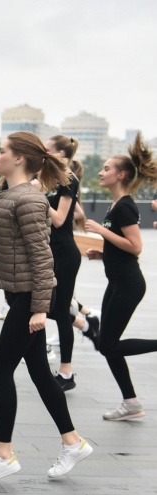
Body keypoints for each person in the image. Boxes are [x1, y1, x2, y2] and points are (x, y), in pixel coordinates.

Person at [0, 132, 91, 483]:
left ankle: (3, 454)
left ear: (20, 159)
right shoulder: (9, 196)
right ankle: (72, 441)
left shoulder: (28, 199)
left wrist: (40, 309)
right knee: (40, 371)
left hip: (30, 299)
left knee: (0, 371)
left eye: (2, 151)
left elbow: (44, 259)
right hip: (22, 297)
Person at [84, 133, 157, 420]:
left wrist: (102, 232)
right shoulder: (117, 205)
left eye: (106, 169)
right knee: (107, 344)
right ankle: (131, 403)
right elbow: (123, 246)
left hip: (128, 284)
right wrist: (103, 253)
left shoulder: (125, 205)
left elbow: (136, 246)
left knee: (108, 344)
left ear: (121, 174)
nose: (101, 173)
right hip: (118, 281)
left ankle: (131, 402)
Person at [42, 135, 83, 390]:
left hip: (65, 253)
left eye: (47, 150)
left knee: (61, 313)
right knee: (47, 307)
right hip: (51, 251)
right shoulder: (50, 179)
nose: (42, 153)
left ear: (60, 155)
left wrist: (38, 198)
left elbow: (59, 219)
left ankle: (66, 373)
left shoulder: (69, 180)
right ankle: (87, 324)